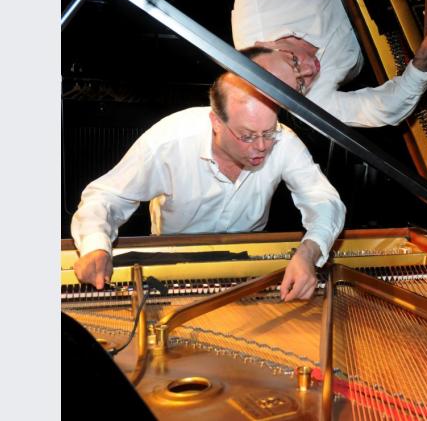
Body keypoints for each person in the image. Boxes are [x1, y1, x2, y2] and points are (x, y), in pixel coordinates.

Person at [71, 49, 346, 301]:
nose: (261, 146)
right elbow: (106, 196)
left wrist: (308, 253)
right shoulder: (169, 141)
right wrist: (96, 245)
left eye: (268, 133)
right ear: (216, 122)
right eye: (247, 136)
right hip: (171, 265)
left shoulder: (283, 141)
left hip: (249, 266)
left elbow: (324, 200)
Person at [231, 0, 427, 127]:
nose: (310, 69)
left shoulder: (256, 2)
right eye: (301, 84)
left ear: (265, 44)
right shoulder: (308, 106)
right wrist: (426, 56)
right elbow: (386, 108)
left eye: (293, 60)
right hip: (387, 34)